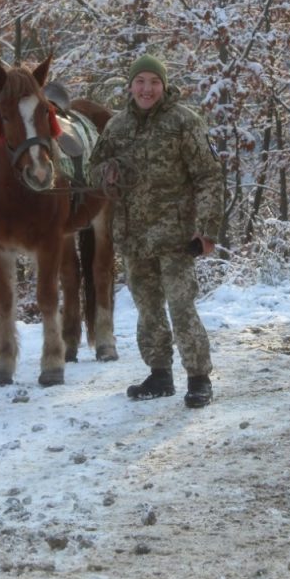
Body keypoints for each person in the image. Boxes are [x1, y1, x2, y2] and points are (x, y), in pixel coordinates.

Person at [89, 54, 224, 408]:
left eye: (153, 82)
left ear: (163, 86)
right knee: (147, 309)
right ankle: (160, 374)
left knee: (181, 306)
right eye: (140, 82)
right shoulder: (116, 127)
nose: (146, 89)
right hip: (134, 237)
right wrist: (107, 174)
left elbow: (209, 176)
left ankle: (199, 378)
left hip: (177, 238)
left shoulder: (183, 122)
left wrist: (207, 231)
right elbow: (93, 172)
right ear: (130, 86)